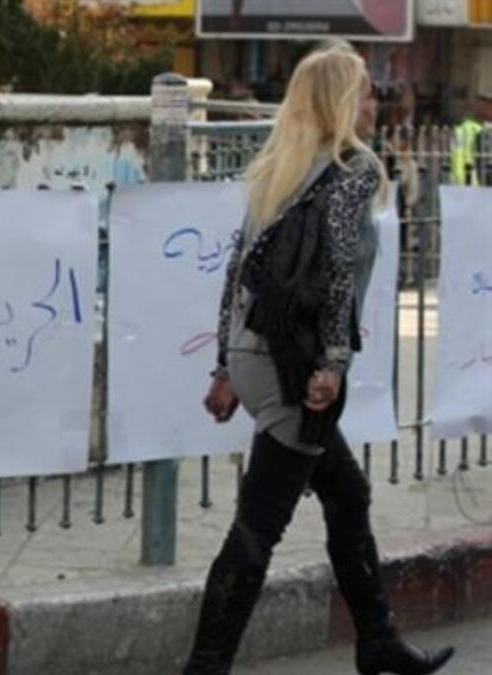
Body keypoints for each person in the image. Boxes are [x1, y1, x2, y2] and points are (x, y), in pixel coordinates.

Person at [183, 47, 456, 675]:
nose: (373, 104)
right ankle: (205, 665)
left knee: (347, 493)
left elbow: (237, 270)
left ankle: (378, 640)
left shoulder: (278, 166)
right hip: (296, 367)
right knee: (258, 527)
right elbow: (337, 276)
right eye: (364, 94)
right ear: (338, 103)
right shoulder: (350, 168)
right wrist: (331, 366)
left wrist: (227, 368)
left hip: (256, 357)